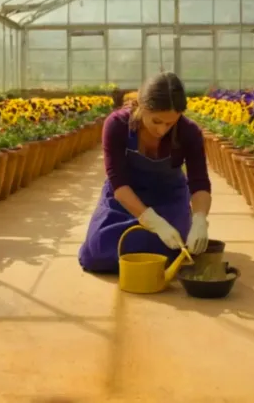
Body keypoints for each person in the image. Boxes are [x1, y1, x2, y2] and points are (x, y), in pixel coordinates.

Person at [78, 72, 212, 273]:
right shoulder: (118, 125)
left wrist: (200, 219)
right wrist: (153, 222)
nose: (162, 130)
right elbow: (118, 183)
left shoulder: (189, 131)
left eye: (170, 123)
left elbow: (199, 182)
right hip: (126, 199)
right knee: (98, 252)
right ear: (141, 105)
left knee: (176, 248)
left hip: (168, 197)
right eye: (156, 121)